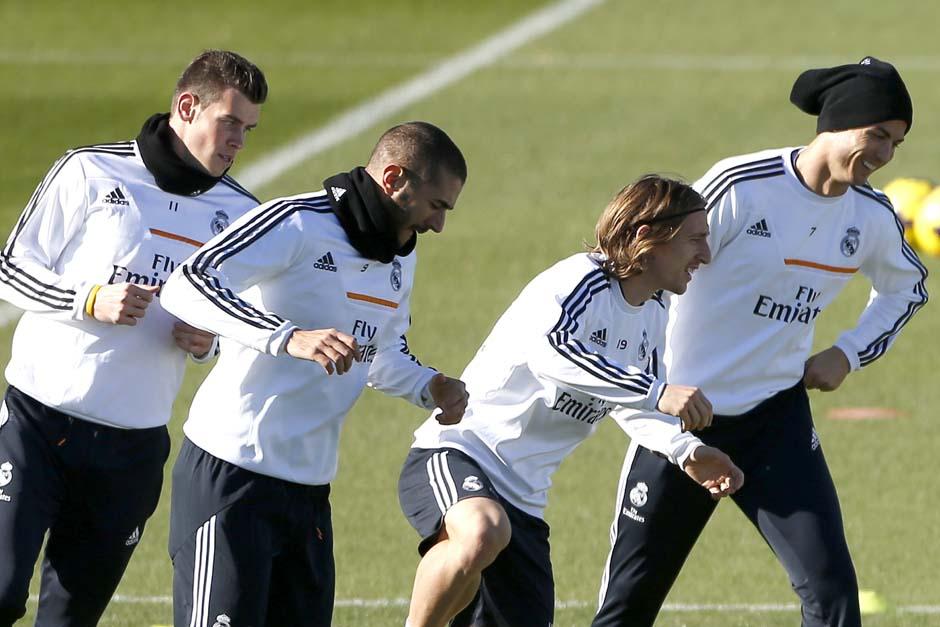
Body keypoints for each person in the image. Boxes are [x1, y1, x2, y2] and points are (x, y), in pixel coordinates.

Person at [592, 57, 928, 627]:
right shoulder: (739, 187)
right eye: (877, 136)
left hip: (777, 422)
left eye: (895, 143)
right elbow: (645, 271)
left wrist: (848, 351)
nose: (885, 155)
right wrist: (652, 385)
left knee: (833, 598)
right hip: (682, 422)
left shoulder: (871, 216)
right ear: (836, 124)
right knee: (629, 607)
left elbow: (908, 287)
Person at [158, 121, 471, 627]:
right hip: (233, 476)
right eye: (437, 205)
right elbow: (188, 282)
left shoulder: (397, 254)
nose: (439, 225)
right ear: (394, 179)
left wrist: (427, 384)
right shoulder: (297, 222)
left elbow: (379, 349)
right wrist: (287, 335)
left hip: (309, 493)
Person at [398, 175, 746, 627]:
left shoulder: (654, 311)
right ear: (648, 238)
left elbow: (630, 400)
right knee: (483, 530)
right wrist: (657, 392)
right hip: (460, 453)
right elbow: (552, 353)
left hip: (524, 500)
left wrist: (687, 451)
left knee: (498, 544)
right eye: (696, 239)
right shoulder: (580, 281)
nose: (705, 254)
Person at [0, 50, 267, 627]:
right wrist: (88, 299)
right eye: (230, 123)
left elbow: (234, 326)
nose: (238, 142)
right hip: (35, 429)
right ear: (187, 106)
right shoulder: (90, 171)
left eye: (248, 130)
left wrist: (208, 340)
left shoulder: (242, 215)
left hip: (133, 448)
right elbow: (11, 269)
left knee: (70, 620)